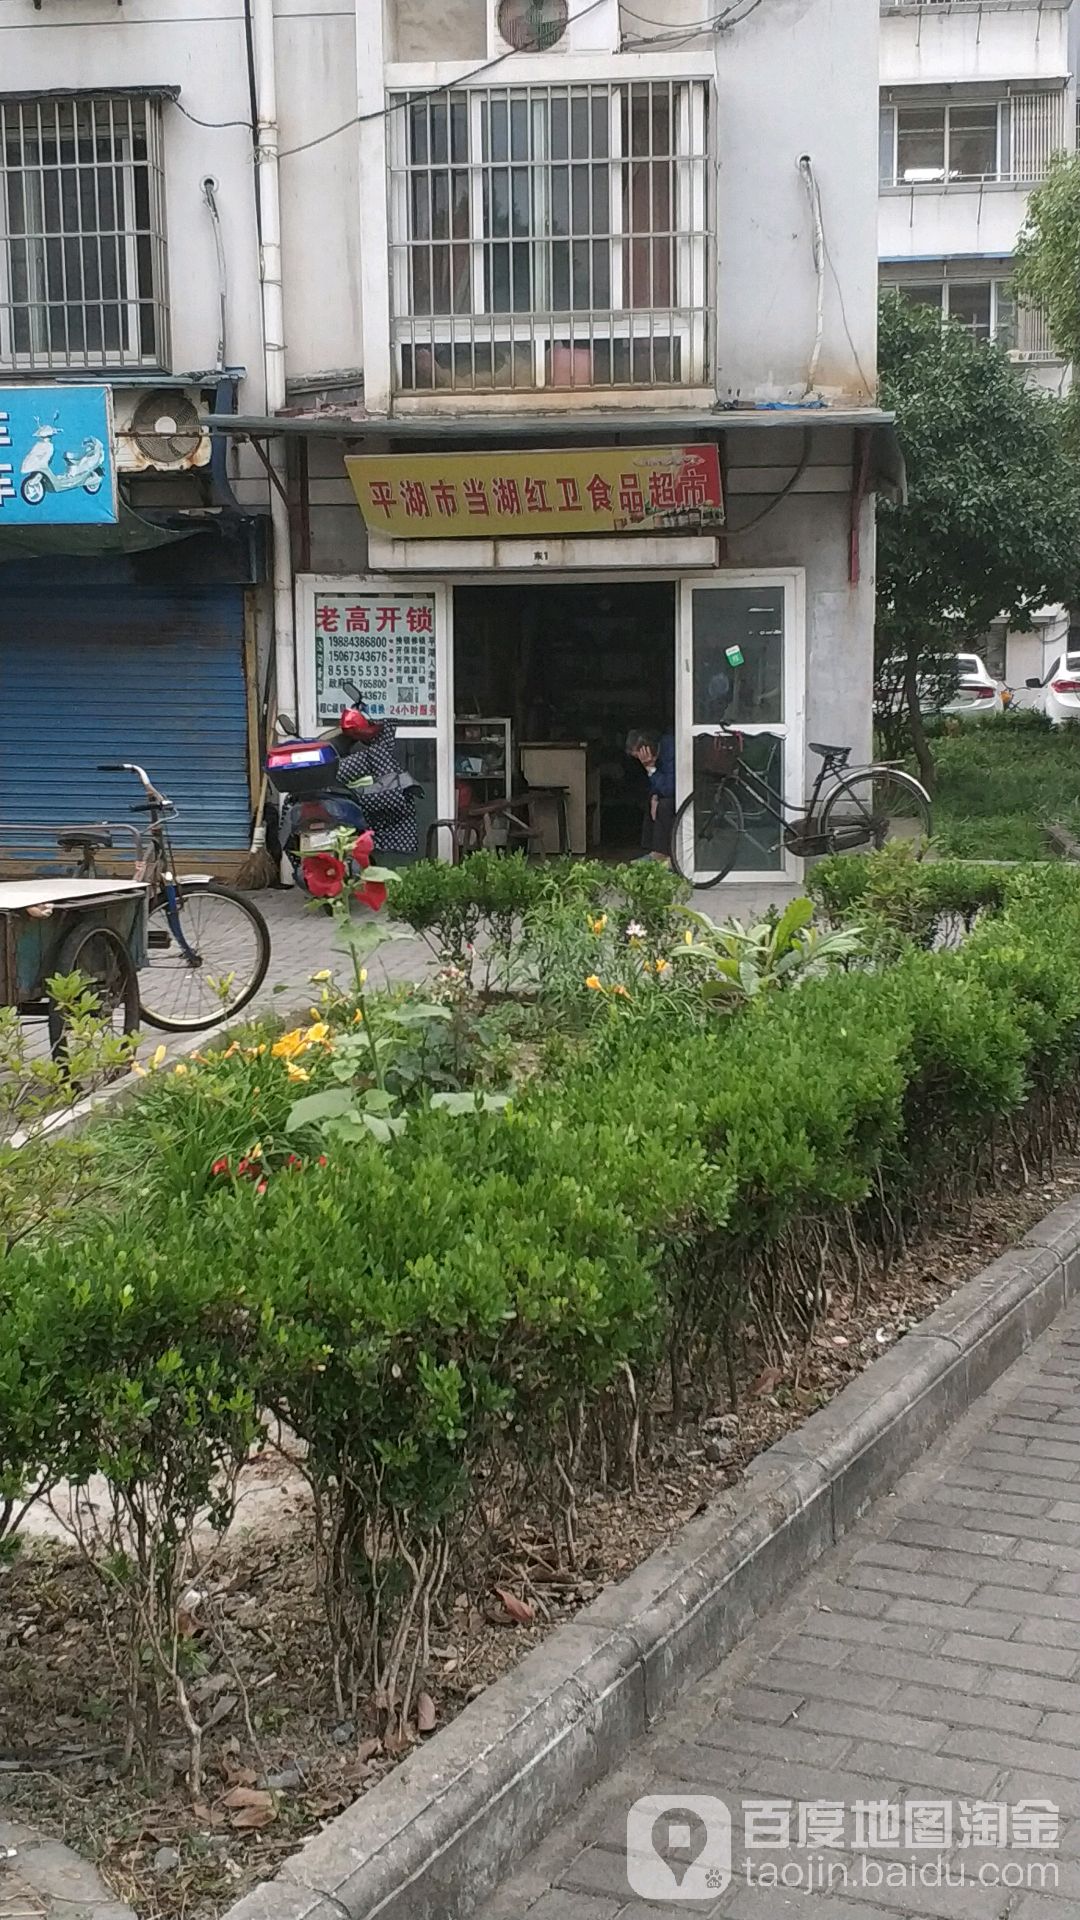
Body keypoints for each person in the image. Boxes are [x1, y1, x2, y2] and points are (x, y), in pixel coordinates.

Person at [625, 726, 676, 860]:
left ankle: (662, 853)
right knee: (650, 801)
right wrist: (654, 796)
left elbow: (669, 789)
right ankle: (651, 849)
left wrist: (650, 768)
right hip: (669, 788)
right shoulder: (661, 749)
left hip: (686, 792)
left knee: (664, 805)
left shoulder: (670, 749)